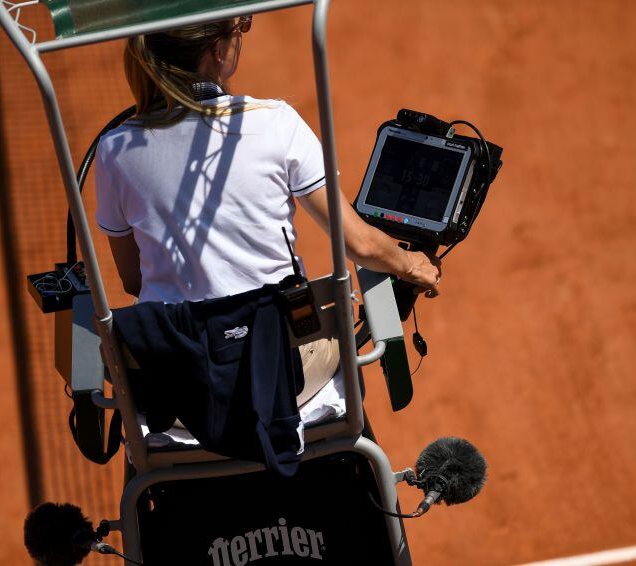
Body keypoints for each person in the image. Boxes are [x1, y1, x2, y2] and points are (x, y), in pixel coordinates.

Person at [94, 15, 441, 409]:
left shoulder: (115, 150)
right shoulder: (275, 122)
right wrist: (412, 264)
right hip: (285, 377)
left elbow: (134, 279)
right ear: (218, 51)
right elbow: (360, 244)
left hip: (182, 391)